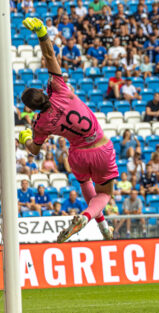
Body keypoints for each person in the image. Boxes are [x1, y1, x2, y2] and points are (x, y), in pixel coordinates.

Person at [20, 17, 115, 243]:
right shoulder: (58, 89)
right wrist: (42, 33)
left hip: (77, 155)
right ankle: (86, 217)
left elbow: (34, 150)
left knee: (85, 184)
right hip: (100, 147)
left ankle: (102, 227)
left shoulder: (40, 123)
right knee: (104, 194)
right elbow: (50, 56)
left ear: (31, 108)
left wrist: (25, 138)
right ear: (41, 92)